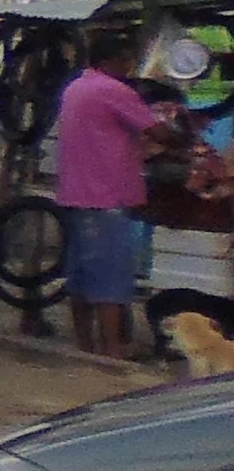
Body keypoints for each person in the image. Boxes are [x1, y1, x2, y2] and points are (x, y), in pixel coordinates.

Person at [52, 30, 173, 360]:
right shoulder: (113, 90)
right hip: (105, 196)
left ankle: (85, 343)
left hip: (76, 193)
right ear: (112, 60)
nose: (130, 66)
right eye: (126, 60)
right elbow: (158, 131)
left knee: (80, 274)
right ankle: (111, 349)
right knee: (111, 278)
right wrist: (178, 128)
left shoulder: (76, 86)